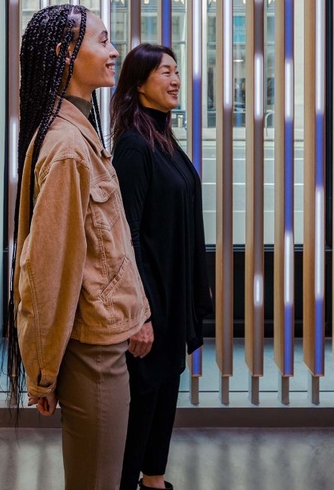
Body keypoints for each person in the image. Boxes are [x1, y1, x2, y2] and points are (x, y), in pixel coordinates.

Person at [8, 4, 151, 490]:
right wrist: (43, 372)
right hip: (92, 360)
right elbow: (48, 271)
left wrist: (135, 313)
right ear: (65, 53)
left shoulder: (78, 133)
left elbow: (102, 250)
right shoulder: (69, 148)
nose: (114, 52)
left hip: (100, 349)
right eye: (103, 41)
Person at [110, 44, 212, 490]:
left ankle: (154, 481)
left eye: (176, 70)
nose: (174, 79)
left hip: (172, 301)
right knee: (142, 405)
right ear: (138, 82)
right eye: (164, 72)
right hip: (151, 302)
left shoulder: (163, 137)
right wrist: (141, 312)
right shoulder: (133, 146)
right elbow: (125, 235)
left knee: (164, 396)